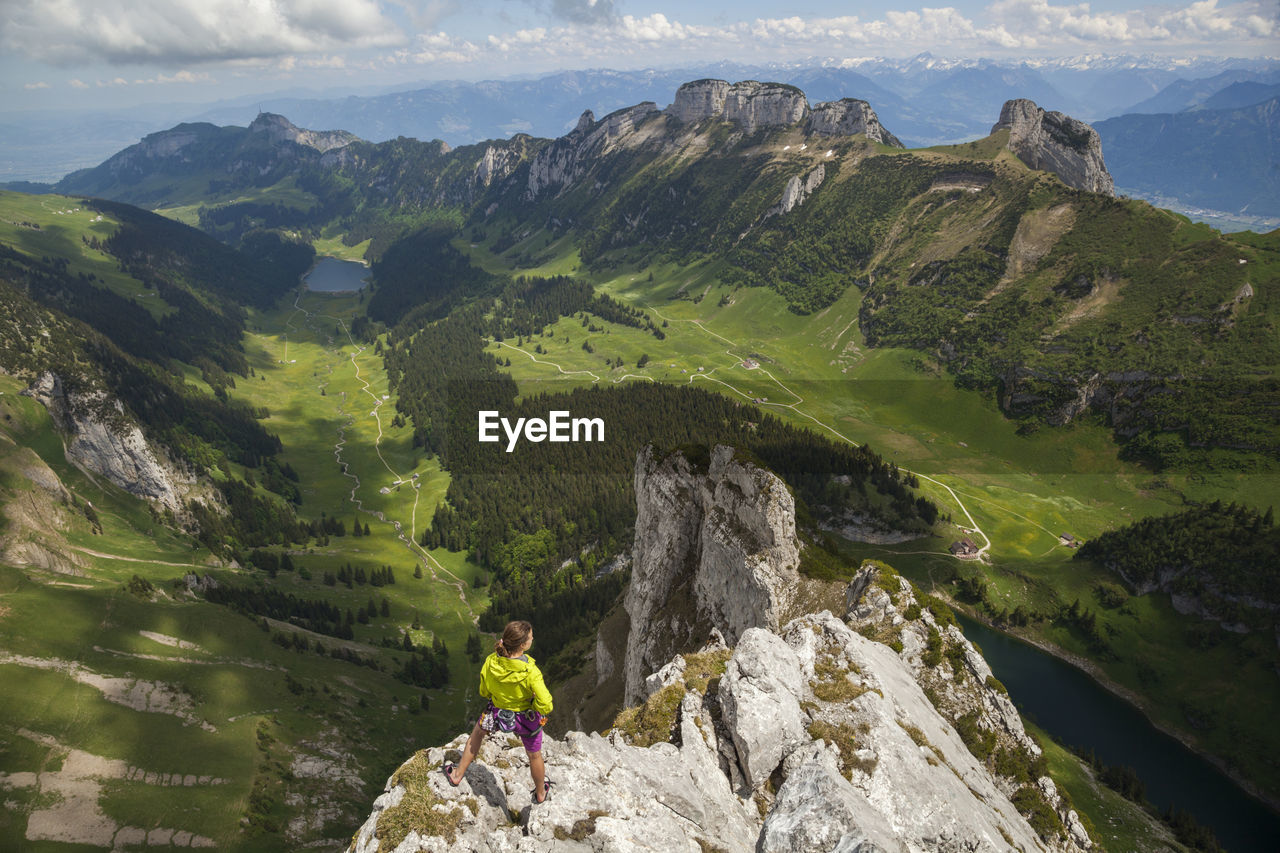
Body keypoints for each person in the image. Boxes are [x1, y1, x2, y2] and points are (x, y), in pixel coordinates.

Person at [442, 620, 554, 802]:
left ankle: (456, 775)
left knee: (477, 733)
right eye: (531, 637)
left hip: (496, 712)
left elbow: (484, 691)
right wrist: (534, 704)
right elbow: (547, 705)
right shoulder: (531, 671)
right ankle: (541, 793)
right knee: (534, 755)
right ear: (524, 644)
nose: (533, 638)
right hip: (526, 718)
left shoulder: (492, 661)